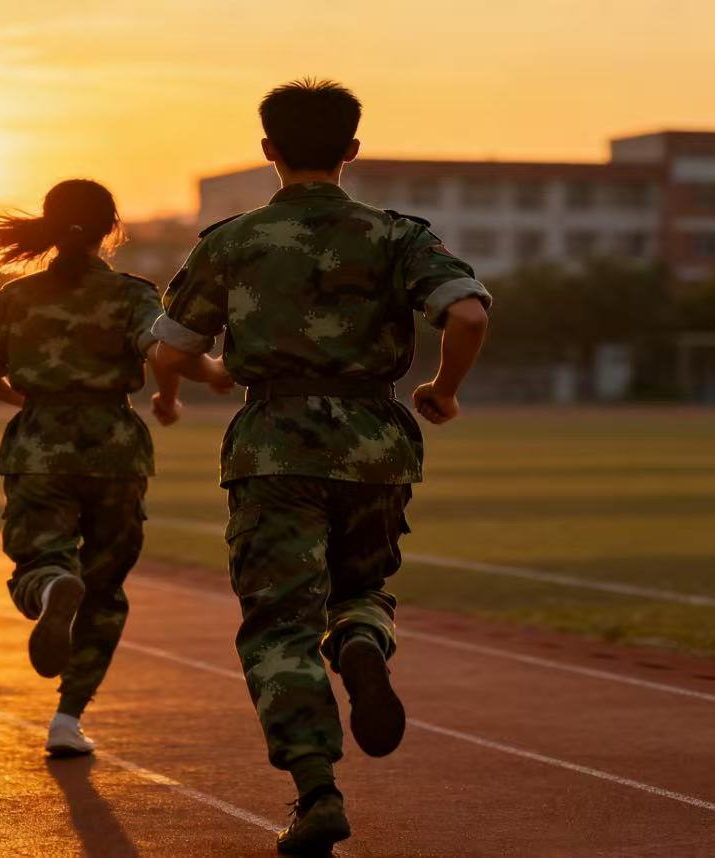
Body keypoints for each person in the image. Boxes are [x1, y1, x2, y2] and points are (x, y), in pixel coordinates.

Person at [151, 79, 491, 854]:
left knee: (278, 624)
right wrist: (441, 388)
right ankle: (362, 641)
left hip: (273, 446)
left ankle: (315, 791)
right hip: (375, 441)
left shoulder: (231, 241)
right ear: (351, 151)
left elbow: (171, 346)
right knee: (361, 587)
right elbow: (467, 312)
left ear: (267, 150)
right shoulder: (398, 235)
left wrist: (190, 379)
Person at [0, 179, 230, 757]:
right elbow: (166, 352)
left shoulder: (16, 297)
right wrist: (191, 385)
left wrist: (31, 404)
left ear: (49, 224)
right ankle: (68, 716)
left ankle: (52, 586)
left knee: (38, 557)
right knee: (105, 591)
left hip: (38, 447)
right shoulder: (132, 295)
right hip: (114, 449)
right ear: (113, 227)